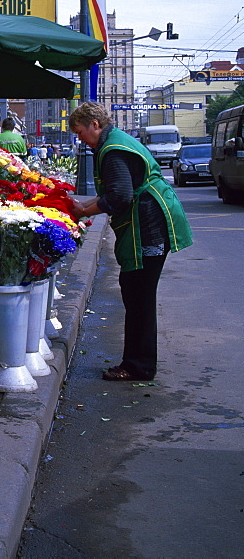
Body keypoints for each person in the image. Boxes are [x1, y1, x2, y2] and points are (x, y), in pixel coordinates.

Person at [68, 102, 193, 381]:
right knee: (136, 290)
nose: (80, 139)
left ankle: (139, 365)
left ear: (94, 125)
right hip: (152, 220)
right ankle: (138, 361)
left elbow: (120, 196)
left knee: (139, 293)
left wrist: (84, 210)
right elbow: (117, 191)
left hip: (147, 226)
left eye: (79, 132)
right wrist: (84, 205)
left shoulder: (112, 151)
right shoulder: (115, 140)